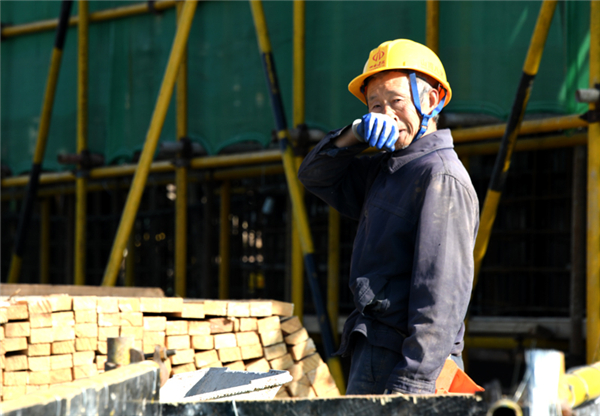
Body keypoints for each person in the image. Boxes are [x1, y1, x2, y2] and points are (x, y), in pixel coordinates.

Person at [298, 39, 480, 395]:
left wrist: (410, 387)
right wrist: (353, 135)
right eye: (374, 106)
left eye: (397, 101)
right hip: (374, 349)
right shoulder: (386, 170)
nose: (386, 115)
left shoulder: (439, 177)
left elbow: (440, 299)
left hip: (408, 364)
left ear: (431, 100)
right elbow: (314, 176)